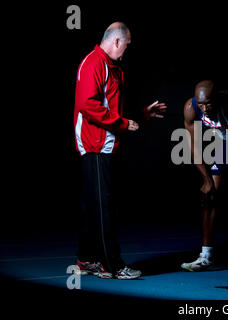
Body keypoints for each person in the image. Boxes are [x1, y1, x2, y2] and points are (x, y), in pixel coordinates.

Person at [73, 22, 166, 279]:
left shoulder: (115, 69)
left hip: (107, 144)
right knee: (104, 205)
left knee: (92, 204)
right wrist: (123, 124)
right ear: (116, 42)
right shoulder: (93, 63)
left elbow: (116, 108)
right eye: (126, 45)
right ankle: (110, 264)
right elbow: (87, 106)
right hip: (94, 144)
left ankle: (86, 259)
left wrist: (142, 115)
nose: (126, 51)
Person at [181, 80, 228, 275]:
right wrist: (206, 180)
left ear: (217, 99)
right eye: (200, 104)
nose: (204, 109)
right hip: (223, 145)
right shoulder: (191, 107)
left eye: (209, 104)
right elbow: (194, 147)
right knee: (208, 196)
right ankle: (206, 256)